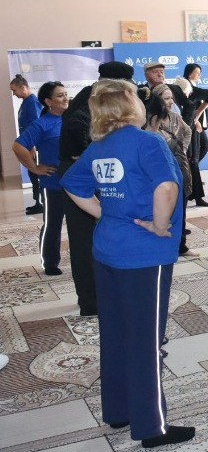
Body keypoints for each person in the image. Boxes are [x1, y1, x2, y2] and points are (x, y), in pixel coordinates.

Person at [60, 78, 195, 448]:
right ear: (130, 105)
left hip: (108, 250)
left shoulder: (99, 146)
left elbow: (72, 185)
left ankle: (118, 410)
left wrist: (105, 214)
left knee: (117, 333)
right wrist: (160, 225)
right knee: (146, 340)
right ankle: (152, 428)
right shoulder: (148, 142)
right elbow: (166, 187)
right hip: (143, 255)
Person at [58, 60, 135, 316]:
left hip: (93, 172)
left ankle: (103, 294)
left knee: (105, 234)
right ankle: (91, 301)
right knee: (84, 240)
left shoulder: (93, 95)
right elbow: (76, 128)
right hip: (81, 176)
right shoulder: (91, 99)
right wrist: (92, 152)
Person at [11, 81, 69, 276]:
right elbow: (18, 146)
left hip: (77, 184)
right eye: (60, 95)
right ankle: (50, 262)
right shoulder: (42, 123)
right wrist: (35, 168)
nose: (65, 98)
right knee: (53, 224)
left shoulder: (74, 118)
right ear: (48, 101)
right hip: (53, 184)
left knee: (80, 225)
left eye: (66, 94)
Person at [146, 84, 194, 256]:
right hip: (161, 171)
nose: (170, 101)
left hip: (180, 166)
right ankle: (163, 245)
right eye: (166, 98)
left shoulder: (175, 117)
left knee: (181, 208)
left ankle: (181, 245)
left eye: (171, 98)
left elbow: (188, 132)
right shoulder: (149, 121)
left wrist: (182, 149)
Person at [181, 63, 208, 207]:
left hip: (196, 126)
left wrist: (197, 118)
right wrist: (195, 120)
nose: (199, 75)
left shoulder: (194, 87)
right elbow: (187, 110)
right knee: (192, 160)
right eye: (197, 72)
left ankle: (192, 175)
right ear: (190, 73)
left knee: (203, 149)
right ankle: (197, 195)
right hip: (191, 127)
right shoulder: (186, 88)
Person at [10, 74, 44, 214]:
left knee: (36, 174)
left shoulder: (32, 102)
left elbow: (35, 125)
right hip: (28, 145)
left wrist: (32, 146)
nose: (14, 94)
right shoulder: (26, 102)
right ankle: (37, 202)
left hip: (33, 146)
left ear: (23, 87)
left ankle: (41, 203)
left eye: (14, 90)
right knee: (32, 173)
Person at [139, 62, 194, 126]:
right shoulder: (141, 91)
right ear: (146, 75)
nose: (160, 75)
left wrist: (185, 124)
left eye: (162, 72)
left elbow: (190, 105)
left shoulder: (175, 89)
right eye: (155, 72)